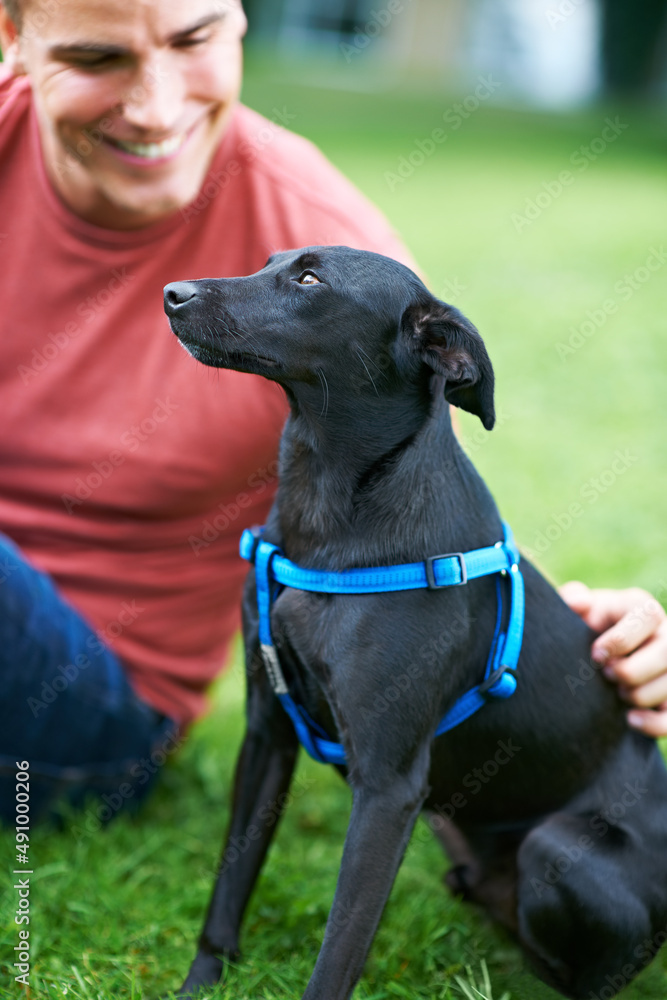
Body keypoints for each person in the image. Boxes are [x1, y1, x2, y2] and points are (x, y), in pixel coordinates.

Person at [0, 0, 665, 825]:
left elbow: (422, 523)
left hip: (90, 711)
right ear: (11, 41)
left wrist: (590, 633)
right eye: (99, 58)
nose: (156, 106)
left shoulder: (332, 265)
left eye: (194, 38)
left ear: (239, 20)